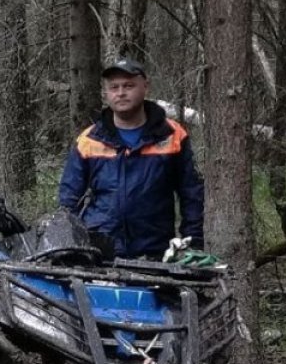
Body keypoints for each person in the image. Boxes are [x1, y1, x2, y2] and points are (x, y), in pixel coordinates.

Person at [58, 58, 205, 259]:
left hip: (155, 252)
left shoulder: (172, 136)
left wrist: (193, 243)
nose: (120, 93)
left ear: (145, 87)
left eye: (128, 86)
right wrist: (70, 248)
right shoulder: (89, 140)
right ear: (106, 93)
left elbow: (192, 195)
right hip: (100, 253)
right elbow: (68, 201)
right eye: (114, 87)